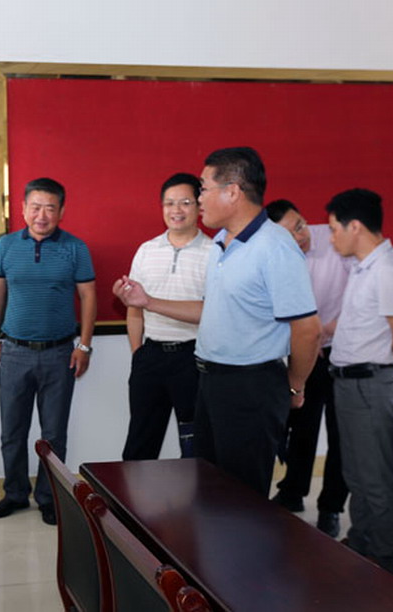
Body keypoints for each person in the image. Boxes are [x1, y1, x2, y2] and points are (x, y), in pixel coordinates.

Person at [113, 147, 321, 497]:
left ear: (233, 191)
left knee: (242, 498)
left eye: (204, 189)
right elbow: (211, 310)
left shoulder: (274, 246)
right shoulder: (224, 243)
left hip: (251, 385)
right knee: (209, 489)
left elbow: (307, 329)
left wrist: (295, 386)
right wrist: (147, 302)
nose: (199, 199)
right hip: (211, 381)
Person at [0, 177, 96, 525]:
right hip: (13, 351)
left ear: (61, 211)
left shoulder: (75, 248)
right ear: (23, 209)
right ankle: (15, 493)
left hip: (59, 353)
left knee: (54, 434)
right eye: (35, 207)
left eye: (50, 208)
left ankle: (50, 498)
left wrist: (84, 346)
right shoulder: (6, 245)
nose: (42, 215)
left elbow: (88, 296)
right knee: (12, 431)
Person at [326, 188, 393, 575]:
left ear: (356, 227)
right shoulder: (363, 267)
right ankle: (362, 548)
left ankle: (382, 564)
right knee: (357, 475)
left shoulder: (389, 270)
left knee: (376, 480)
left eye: (334, 229)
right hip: (351, 384)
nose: (332, 238)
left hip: (371, 385)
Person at [265, 200, 351, 538]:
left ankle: (331, 507)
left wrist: (327, 330)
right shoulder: (275, 252)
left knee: (340, 432)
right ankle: (292, 491)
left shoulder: (333, 240)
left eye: (300, 224)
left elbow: (360, 295)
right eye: (291, 232)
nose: (301, 235)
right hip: (303, 351)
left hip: (342, 349)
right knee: (300, 424)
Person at [122, 173, 213, 460]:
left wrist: (150, 303)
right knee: (140, 442)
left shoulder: (214, 252)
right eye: (169, 203)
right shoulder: (147, 250)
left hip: (194, 358)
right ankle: (135, 492)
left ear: (199, 205)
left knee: (196, 445)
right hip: (150, 356)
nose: (176, 210)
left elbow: (212, 312)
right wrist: (138, 353)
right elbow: (134, 309)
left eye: (185, 202)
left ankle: (198, 491)